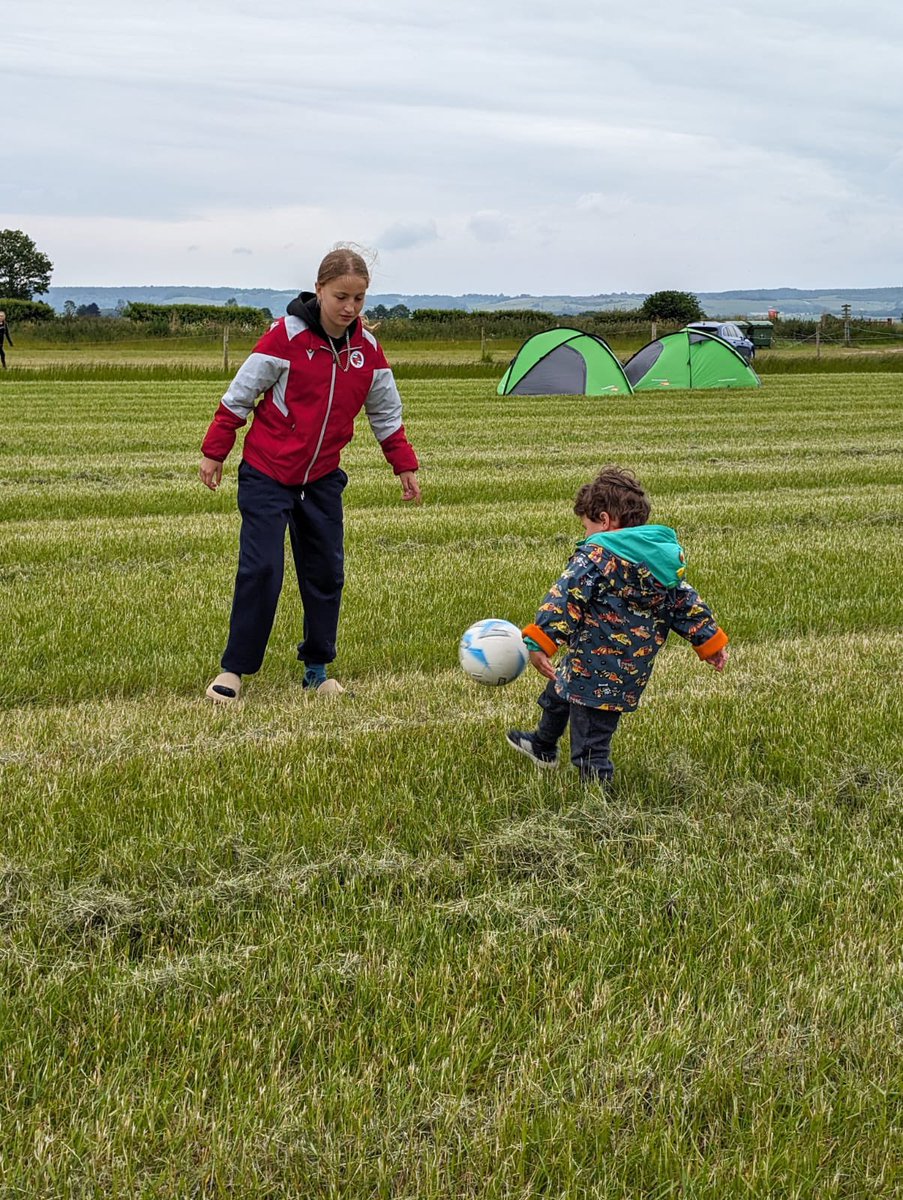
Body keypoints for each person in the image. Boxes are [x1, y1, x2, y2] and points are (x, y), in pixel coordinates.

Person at [199, 246, 421, 704]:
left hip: (321, 479)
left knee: (325, 573)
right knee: (261, 569)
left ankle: (317, 671)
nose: (350, 308)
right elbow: (239, 396)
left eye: (359, 299)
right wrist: (215, 450)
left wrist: (403, 464)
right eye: (341, 296)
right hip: (267, 472)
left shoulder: (368, 351)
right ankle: (234, 670)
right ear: (319, 289)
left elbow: (386, 414)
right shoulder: (285, 337)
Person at [506, 466, 728, 783]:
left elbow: (565, 597)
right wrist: (710, 643)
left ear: (606, 521)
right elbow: (684, 602)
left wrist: (541, 641)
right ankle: (542, 745)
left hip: (597, 671)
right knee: (557, 695)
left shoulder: (595, 556)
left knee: (591, 747)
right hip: (623, 667)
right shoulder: (659, 562)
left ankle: (600, 808)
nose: (584, 535)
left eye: (587, 526)